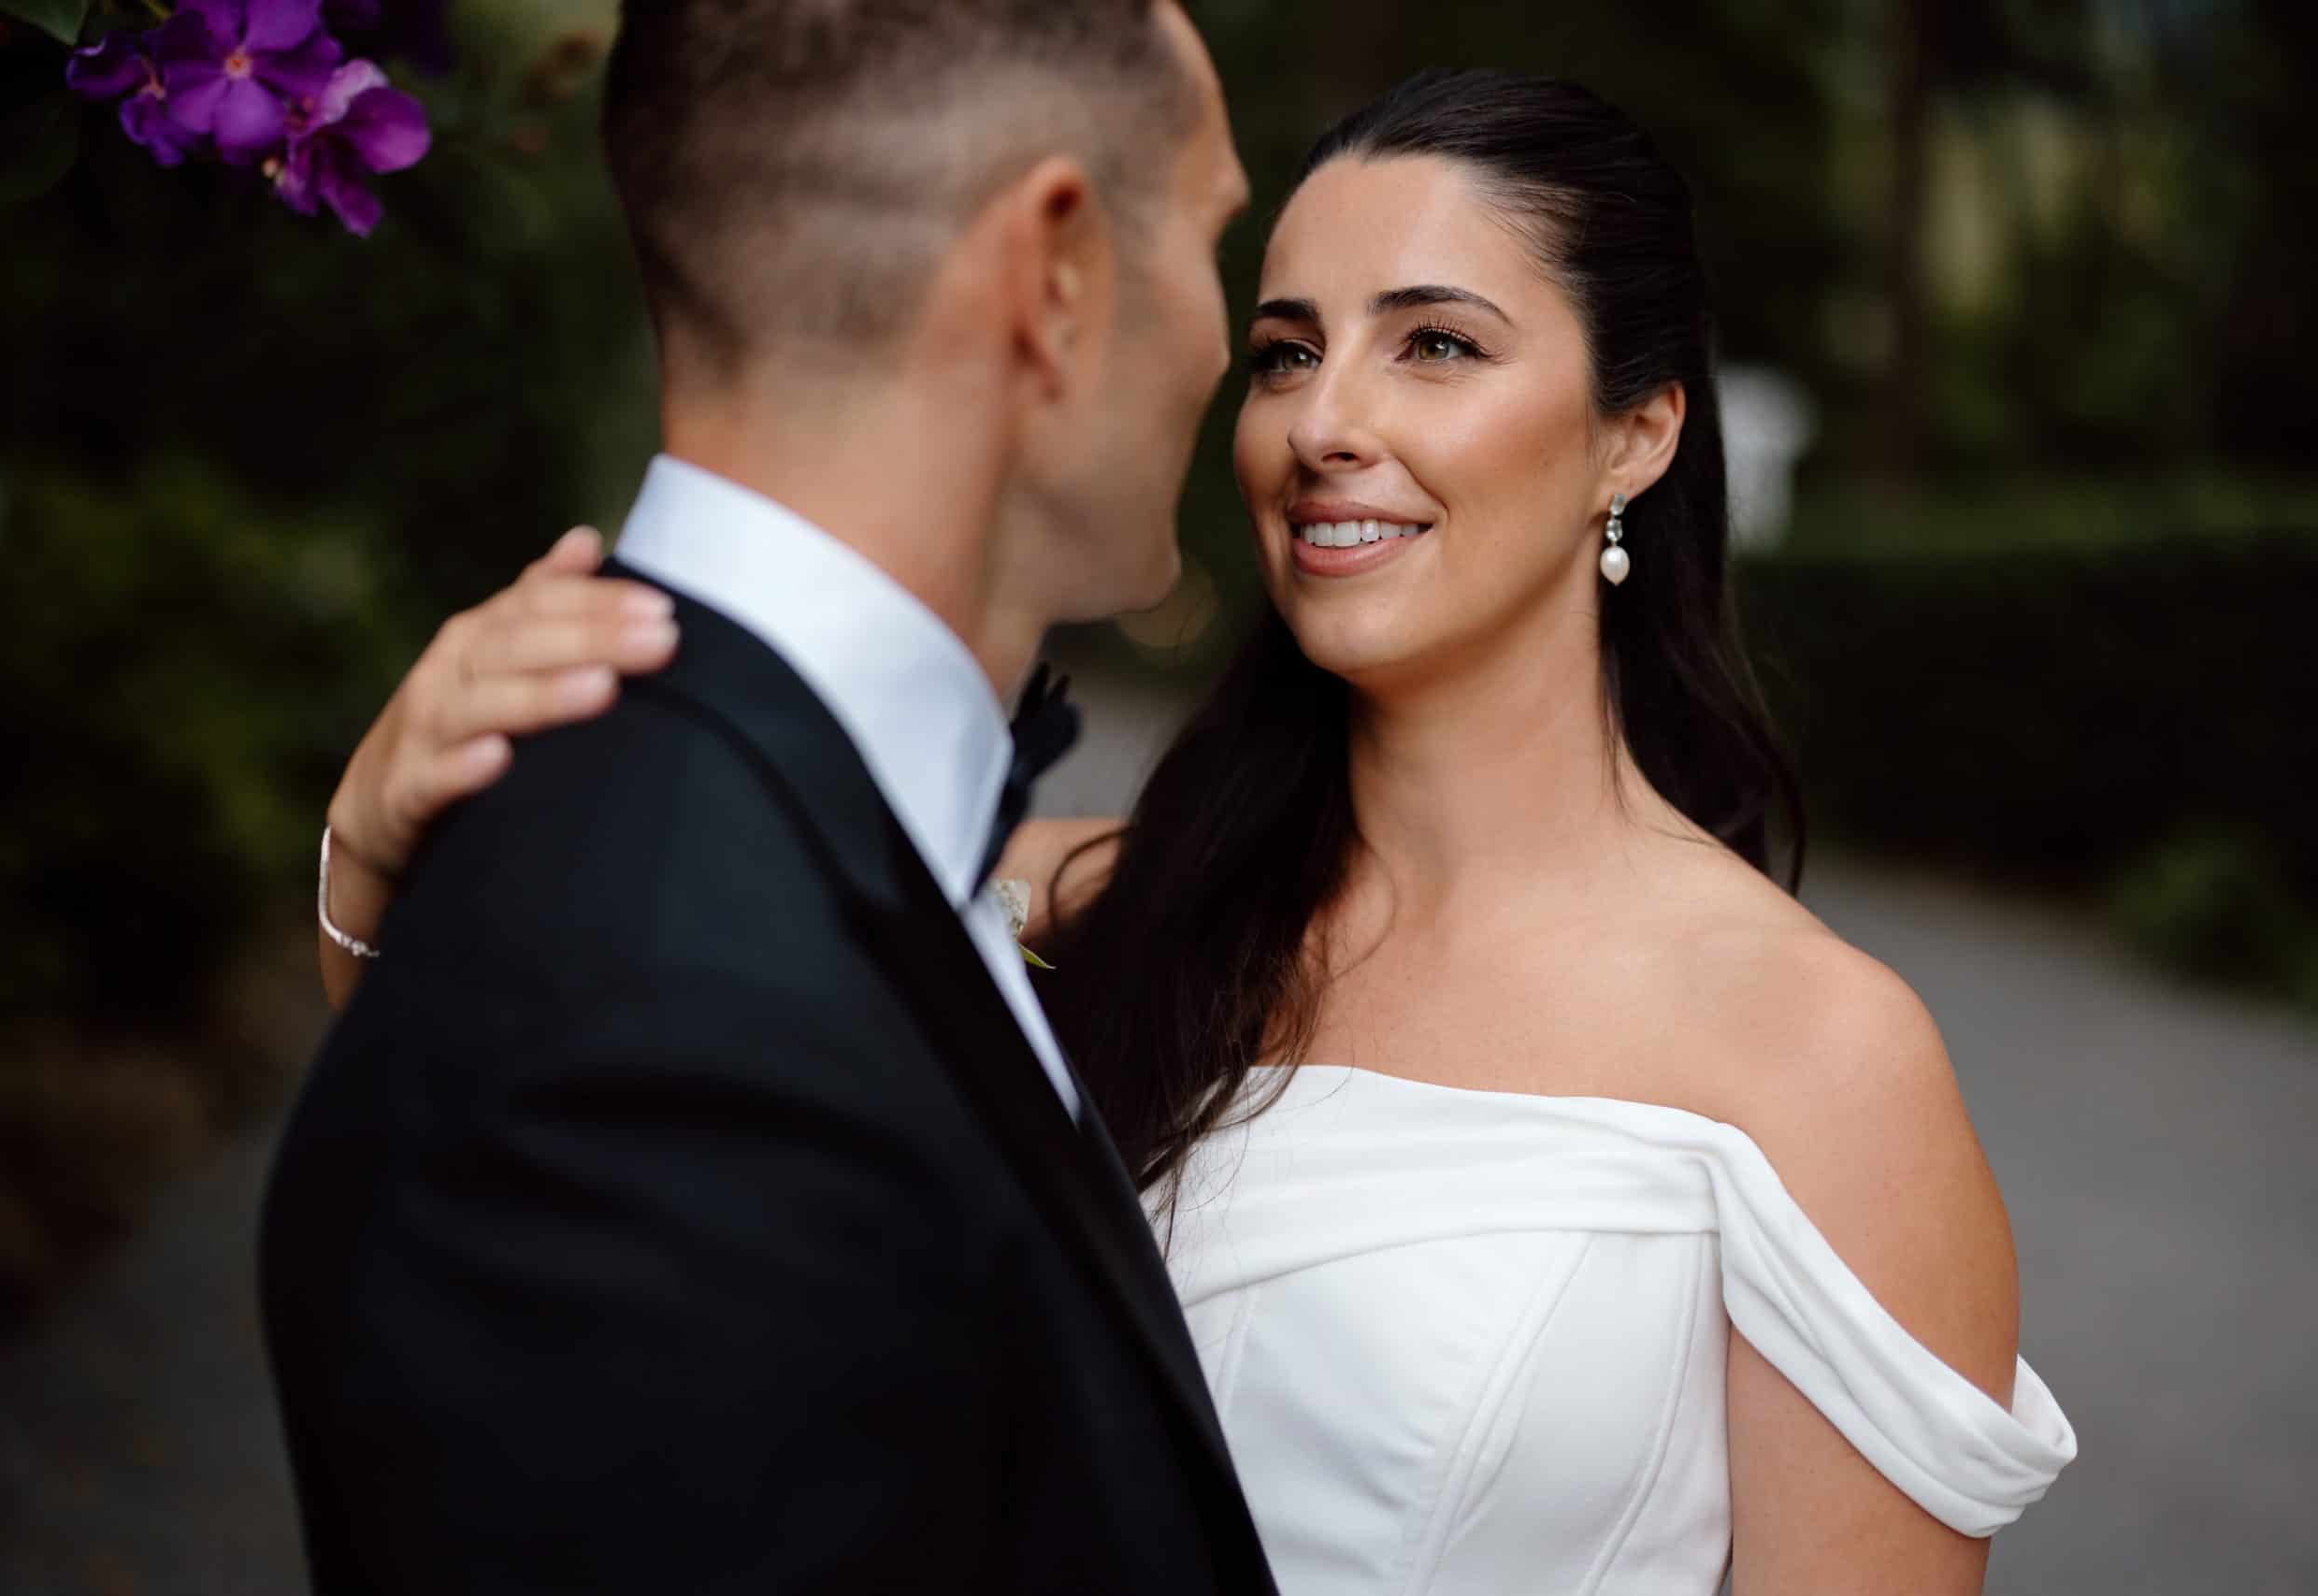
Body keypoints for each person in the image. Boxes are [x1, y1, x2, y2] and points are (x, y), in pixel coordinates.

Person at [316, 69, 2078, 1596]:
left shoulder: (1822, 1061)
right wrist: (380, 832)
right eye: (1285, 353)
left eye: (1437, 345)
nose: (1325, 427)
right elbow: (550, 1156)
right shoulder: (1078, 905)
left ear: (1636, 431)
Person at [262, 2, 1278, 1591]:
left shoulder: (782, 829)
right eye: (1218, 238)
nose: (1233, 346)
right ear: (1057, 276)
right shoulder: (650, 1047)